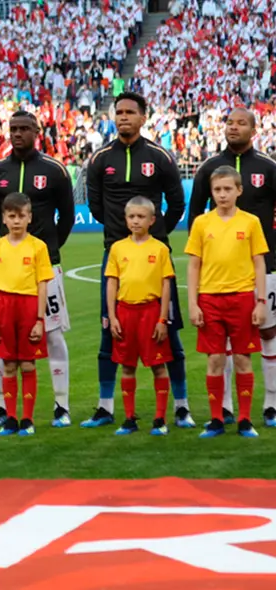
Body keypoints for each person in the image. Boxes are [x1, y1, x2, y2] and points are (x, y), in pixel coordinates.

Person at [87, 92, 191, 429]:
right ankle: (106, 407)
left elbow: (176, 204)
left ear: (143, 117)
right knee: (110, 331)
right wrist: (122, 237)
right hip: (115, 255)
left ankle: (181, 406)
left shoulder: (160, 157)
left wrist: (156, 233)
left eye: (130, 112)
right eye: (119, 112)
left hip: (153, 255)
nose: (123, 117)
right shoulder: (101, 158)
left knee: (169, 331)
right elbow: (96, 207)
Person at [0, 111, 75, 428]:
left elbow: (67, 216)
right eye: (13, 129)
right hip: (8, 270)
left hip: (46, 266)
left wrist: (50, 249)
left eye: (24, 128)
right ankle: (2, 407)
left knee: (51, 334)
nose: (18, 133)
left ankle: (61, 405)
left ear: (37, 131)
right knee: (3, 336)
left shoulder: (54, 170)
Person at [188, 108, 276, 427]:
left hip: (264, 267)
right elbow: (194, 214)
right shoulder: (208, 168)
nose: (233, 127)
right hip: (218, 280)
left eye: (241, 123)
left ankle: (270, 404)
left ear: (254, 129)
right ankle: (223, 409)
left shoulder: (268, 166)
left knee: (266, 334)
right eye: (229, 122)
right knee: (219, 349)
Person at [186, 166, 267, 439]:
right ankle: (217, 418)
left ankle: (245, 420)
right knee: (216, 360)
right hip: (209, 299)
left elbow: (259, 263)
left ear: (239, 191)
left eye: (227, 189)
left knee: (244, 358)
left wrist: (260, 301)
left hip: (243, 298)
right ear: (211, 192)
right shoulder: (201, 223)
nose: (222, 194)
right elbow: (193, 265)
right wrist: (193, 303)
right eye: (217, 190)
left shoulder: (250, 222)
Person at [0, 194, 54, 437]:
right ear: (4, 218)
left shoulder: (38, 247)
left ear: (29, 217)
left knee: (28, 363)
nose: (16, 221)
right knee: (8, 365)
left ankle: (28, 419)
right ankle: (11, 417)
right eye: (11, 216)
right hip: (3, 308)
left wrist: (39, 320)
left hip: (28, 307)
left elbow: (43, 284)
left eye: (21, 216)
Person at [105, 197, 175, 437]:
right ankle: (129, 418)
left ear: (152, 220)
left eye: (141, 216)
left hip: (151, 311)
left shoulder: (160, 249)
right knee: (127, 366)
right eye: (132, 217)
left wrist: (162, 319)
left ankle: (160, 419)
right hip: (125, 312)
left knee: (158, 366)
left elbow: (166, 286)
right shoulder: (117, 248)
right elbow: (111, 283)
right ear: (125, 220)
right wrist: (112, 317)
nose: (136, 221)